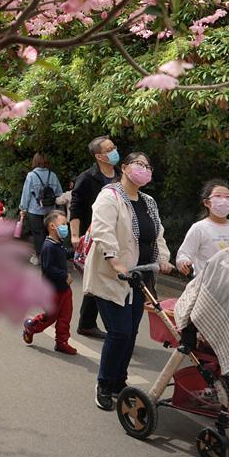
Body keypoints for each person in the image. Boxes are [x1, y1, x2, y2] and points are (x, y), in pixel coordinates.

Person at [83, 152, 174, 411]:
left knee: (131, 333)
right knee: (119, 331)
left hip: (140, 277)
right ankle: (103, 383)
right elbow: (102, 231)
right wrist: (115, 262)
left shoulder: (148, 201)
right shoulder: (109, 196)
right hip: (112, 275)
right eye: (139, 164)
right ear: (124, 168)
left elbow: (158, 235)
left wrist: (164, 259)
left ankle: (118, 383)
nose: (144, 169)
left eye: (148, 165)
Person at [71, 135, 121, 340]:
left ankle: (87, 323)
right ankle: (90, 323)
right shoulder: (87, 178)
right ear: (99, 156)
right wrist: (75, 236)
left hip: (118, 233)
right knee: (97, 278)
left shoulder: (120, 175)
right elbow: (75, 208)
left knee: (104, 278)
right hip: (94, 236)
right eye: (109, 149)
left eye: (114, 147)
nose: (114, 151)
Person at [22, 211, 77, 355]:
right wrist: (64, 275)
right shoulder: (48, 247)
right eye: (64, 224)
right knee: (50, 317)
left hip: (65, 289)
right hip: (53, 290)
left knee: (66, 316)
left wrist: (78, 249)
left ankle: (62, 342)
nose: (66, 227)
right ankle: (31, 326)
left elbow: (65, 254)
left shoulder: (58, 244)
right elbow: (48, 269)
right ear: (52, 226)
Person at [176, 179, 229, 278]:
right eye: (218, 196)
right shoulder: (199, 228)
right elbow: (184, 254)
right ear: (207, 202)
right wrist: (184, 263)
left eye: (228, 197)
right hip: (206, 286)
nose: (224, 200)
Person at [18, 153, 63, 265]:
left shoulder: (31, 176)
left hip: (35, 210)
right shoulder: (52, 175)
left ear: (35, 161)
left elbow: (26, 194)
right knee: (51, 233)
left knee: (38, 234)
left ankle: (40, 258)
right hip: (50, 211)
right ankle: (53, 258)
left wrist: (23, 208)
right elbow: (59, 193)